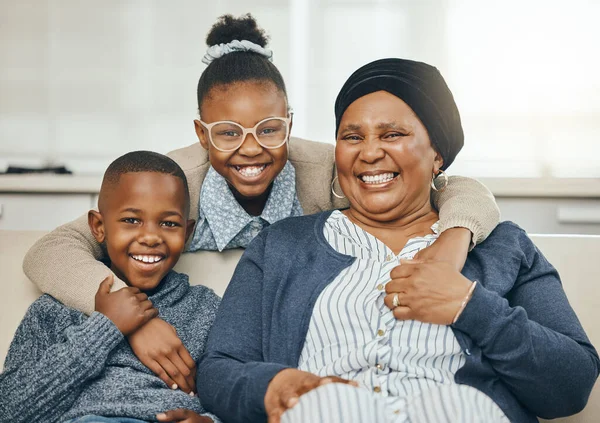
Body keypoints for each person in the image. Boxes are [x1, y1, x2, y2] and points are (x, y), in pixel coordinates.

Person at [22, 15, 500, 394]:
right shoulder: (174, 183)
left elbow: (454, 187)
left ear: (288, 124)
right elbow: (51, 249)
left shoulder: (327, 168)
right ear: (201, 134)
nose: (250, 149)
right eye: (228, 134)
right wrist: (131, 319)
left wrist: (455, 237)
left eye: (268, 129)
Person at [196, 58, 600, 423]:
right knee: (331, 406)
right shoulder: (282, 245)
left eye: (392, 134)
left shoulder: (501, 245)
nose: (369, 153)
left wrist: (470, 307)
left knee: (455, 406)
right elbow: (219, 368)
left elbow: (572, 385)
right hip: (327, 414)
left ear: (437, 153)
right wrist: (275, 384)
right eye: (352, 137)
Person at [0, 152, 220, 423]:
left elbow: (234, 396)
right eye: (131, 220)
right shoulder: (54, 310)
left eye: (168, 223)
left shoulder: (206, 310)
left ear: (186, 234)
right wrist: (105, 328)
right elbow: (8, 410)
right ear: (98, 227)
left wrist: (211, 421)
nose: (150, 237)